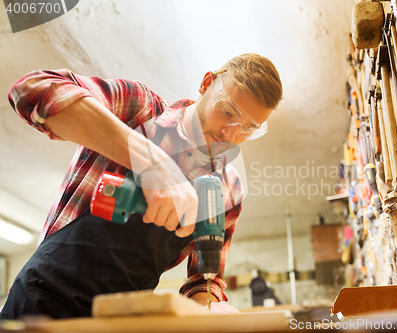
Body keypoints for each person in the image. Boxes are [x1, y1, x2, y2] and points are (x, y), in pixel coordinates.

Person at [0, 53, 283, 319]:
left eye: (248, 128)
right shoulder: (139, 110)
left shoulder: (228, 189)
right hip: (42, 301)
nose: (230, 133)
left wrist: (210, 306)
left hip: (123, 318)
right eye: (227, 111)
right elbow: (32, 89)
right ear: (206, 84)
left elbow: (204, 279)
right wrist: (150, 160)